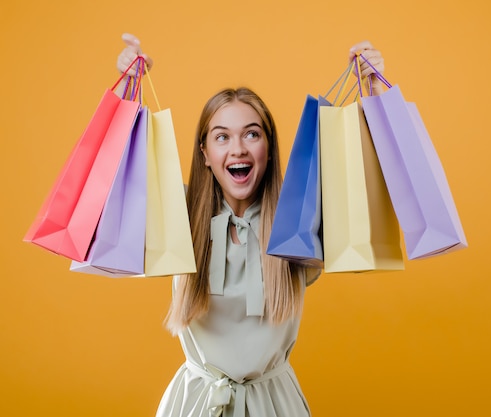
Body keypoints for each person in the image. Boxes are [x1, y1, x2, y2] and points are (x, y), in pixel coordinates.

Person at [116, 33, 386, 417]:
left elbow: (365, 191)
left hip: (275, 405)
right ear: (205, 154)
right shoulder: (182, 217)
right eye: (221, 137)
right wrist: (129, 93)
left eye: (252, 134)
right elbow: (120, 185)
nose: (238, 148)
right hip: (195, 405)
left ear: (269, 149)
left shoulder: (298, 223)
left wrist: (372, 96)